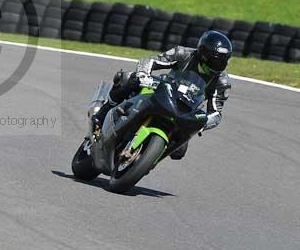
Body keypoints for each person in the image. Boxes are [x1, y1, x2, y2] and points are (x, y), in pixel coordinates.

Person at [91, 30, 232, 160]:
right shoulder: (183, 53)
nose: (218, 66)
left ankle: (146, 160)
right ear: (203, 53)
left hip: (187, 110)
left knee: (179, 151)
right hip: (164, 90)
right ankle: (102, 113)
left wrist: (204, 123)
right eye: (215, 61)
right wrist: (143, 74)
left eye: (222, 62)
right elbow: (151, 61)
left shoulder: (222, 81)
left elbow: (216, 113)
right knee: (128, 78)